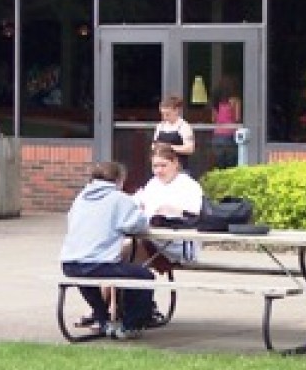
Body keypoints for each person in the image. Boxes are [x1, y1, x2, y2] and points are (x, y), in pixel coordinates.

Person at [60, 160, 154, 340]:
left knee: (86, 278)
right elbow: (138, 225)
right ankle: (131, 324)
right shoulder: (119, 199)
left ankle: (102, 318)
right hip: (99, 263)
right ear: (119, 180)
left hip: (69, 262)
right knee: (144, 276)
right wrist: (141, 212)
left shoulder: (80, 198)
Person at [129, 143, 204, 271]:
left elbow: (196, 216)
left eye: (163, 165)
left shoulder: (189, 185)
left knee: (126, 250)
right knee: (121, 250)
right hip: (152, 239)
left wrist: (176, 210)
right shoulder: (153, 183)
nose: (159, 170)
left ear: (175, 163)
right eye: (155, 166)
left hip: (179, 246)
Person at [153, 94, 194, 169]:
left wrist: (169, 147)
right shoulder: (160, 126)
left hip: (179, 167)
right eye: (163, 114)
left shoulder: (184, 126)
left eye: (168, 114)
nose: (165, 117)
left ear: (176, 111)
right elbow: (154, 145)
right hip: (161, 167)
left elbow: (190, 148)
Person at [211, 78, 241, 170]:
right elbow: (237, 118)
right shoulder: (235, 101)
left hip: (217, 135)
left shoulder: (216, 102)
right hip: (230, 135)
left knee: (219, 165)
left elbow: (213, 119)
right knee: (231, 165)